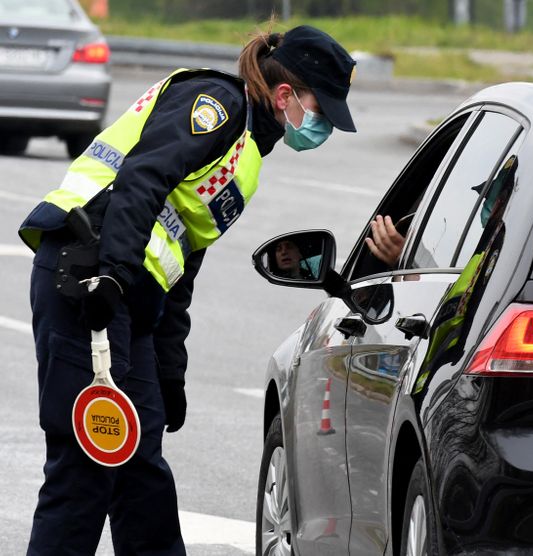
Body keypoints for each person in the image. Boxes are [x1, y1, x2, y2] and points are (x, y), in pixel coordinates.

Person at [18, 24, 356, 555]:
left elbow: (180, 262)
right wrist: (110, 276)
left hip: (129, 295)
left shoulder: (247, 155)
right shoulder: (216, 104)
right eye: (321, 109)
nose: (322, 127)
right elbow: (142, 179)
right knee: (84, 470)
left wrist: (169, 368)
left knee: (142, 473)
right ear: (285, 95)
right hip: (85, 276)